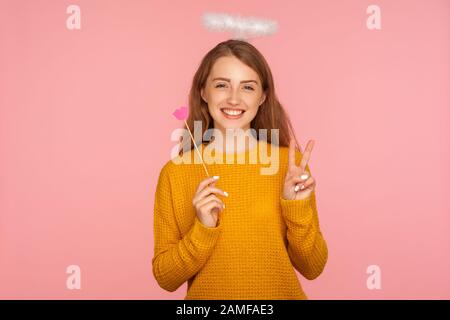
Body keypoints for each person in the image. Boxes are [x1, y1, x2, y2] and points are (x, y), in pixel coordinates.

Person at [152, 39, 328, 299]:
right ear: (203, 92)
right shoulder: (175, 173)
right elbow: (166, 278)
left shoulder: (289, 166)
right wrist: (202, 229)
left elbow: (313, 268)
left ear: (263, 96)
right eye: (222, 85)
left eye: (247, 87)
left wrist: (296, 208)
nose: (234, 98)